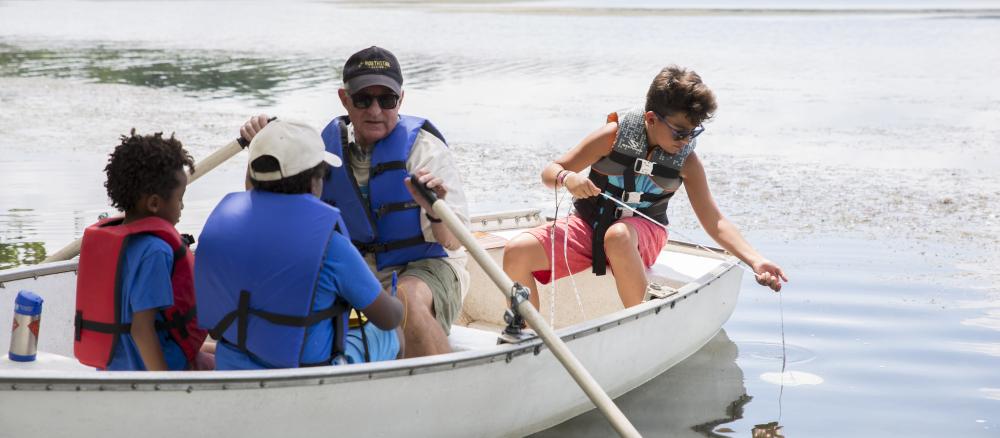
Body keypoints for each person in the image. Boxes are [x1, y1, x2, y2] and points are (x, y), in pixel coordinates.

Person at [238, 46, 470, 358]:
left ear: (400, 99)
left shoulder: (426, 153)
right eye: (363, 100)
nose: (375, 110)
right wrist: (263, 145)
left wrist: (435, 212)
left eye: (386, 100)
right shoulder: (324, 150)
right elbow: (271, 204)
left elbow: (454, 242)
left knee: (408, 301)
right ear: (344, 99)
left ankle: (441, 393)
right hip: (355, 268)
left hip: (425, 266)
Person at [503, 65, 788, 311]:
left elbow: (715, 221)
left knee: (617, 237)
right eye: (680, 131)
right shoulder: (611, 138)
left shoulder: (687, 161)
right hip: (589, 225)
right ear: (651, 118)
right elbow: (549, 171)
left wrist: (756, 260)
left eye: (694, 131)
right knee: (516, 251)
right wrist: (568, 178)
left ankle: (642, 322)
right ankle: (528, 340)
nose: (686, 140)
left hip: (643, 236)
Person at [196, 119, 404, 369]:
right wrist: (398, 301)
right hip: (305, 373)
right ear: (314, 182)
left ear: (253, 177)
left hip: (234, 365)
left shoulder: (227, 231)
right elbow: (388, 318)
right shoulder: (331, 246)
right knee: (393, 334)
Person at [74, 130, 211, 371]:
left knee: (215, 347)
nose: (182, 206)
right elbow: (141, 329)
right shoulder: (156, 251)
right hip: (146, 371)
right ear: (155, 203)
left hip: (115, 365)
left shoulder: (119, 241)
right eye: (180, 198)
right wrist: (163, 384)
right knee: (227, 361)